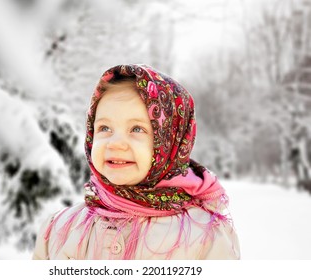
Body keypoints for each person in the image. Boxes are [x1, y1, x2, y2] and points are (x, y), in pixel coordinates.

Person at [32, 64, 240, 260]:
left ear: (170, 141)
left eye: (137, 129)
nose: (115, 143)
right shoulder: (59, 230)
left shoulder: (205, 237)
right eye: (104, 128)